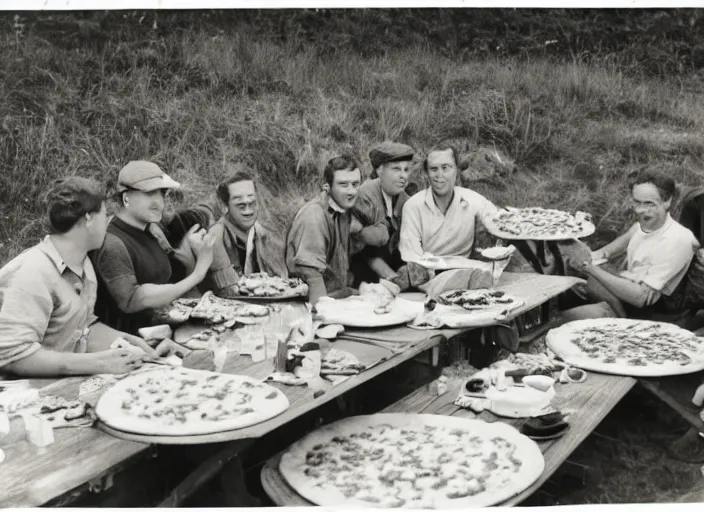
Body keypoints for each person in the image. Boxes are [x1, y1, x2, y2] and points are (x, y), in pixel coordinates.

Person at [0, 177, 156, 378]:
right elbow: (13, 356)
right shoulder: (32, 272)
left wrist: (128, 342)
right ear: (89, 219)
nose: (107, 223)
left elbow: (80, 329)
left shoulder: (83, 264)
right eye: (105, 214)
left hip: (57, 387)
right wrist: (99, 363)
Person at [91, 161, 215, 335]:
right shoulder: (112, 243)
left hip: (164, 330)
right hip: (131, 343)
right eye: (150, 194)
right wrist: (199, 272)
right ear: (126, 197)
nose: (160, 204)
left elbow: (167, 279)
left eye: (162, 194)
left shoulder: (151, 229)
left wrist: (191, 248)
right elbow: (132, 300)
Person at [564, 172, 700, 320]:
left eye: (649, 203)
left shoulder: (679, 239)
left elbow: (641, 298)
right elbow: (604, 253)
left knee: (568, 314)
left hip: (650, 311)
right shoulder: (639, 228)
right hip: (625, 292)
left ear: (667, 201)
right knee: (569, 277)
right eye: (637, 202)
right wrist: (574, 243)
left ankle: (618, 320)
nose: (640, 210)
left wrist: (589, 268)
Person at [399, 142, 499, 263]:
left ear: (456, 170)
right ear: (427, 173)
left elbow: (502, 224)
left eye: (446, 168)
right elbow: (410, 255)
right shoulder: (413, 206)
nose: (439, 175)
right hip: (428, 272)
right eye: (434, 169)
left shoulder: (473, 200)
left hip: (466, 269)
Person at [286, 154, 362, 305]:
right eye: (343, 184)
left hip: (336, 296)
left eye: (355, 184)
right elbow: (311, 274)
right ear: (327, 186)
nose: (351, 191)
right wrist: (324, 317)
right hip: (308, 303)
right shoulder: (314, 215)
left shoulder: (343, 211)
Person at [204, 170, 288, 297]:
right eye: (241, 206)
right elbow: (230, 291)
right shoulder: (216, 237)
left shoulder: (263, 233)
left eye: (252, 203)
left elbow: (282, 279)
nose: (248, 211)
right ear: (225, 206)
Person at [349, 141, 415, 285]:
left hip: (392, 269)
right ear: (380, 170)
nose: (403, 176)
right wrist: (392, 277)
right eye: (396, 169)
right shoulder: (365, 197)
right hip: (363, 274)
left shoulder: (405, 200)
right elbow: (365, 253)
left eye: (406, 169)